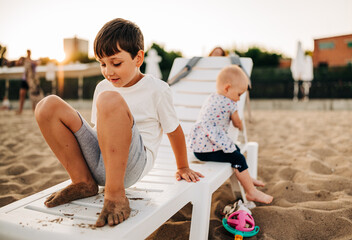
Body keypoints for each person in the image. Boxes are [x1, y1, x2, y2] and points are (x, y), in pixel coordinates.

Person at [34, 18, 203, 227]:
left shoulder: (157, 89)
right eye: (102, 64)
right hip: (100, 158)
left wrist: (183, 166)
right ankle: (83, 181)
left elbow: (174, 130)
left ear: (138, 58)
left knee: (109, 99)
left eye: (116, 63)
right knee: (47, 105)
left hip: (132, 164)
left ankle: (115, 194)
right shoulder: (103, 87)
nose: (108, 71)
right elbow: (99, 132)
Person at [188, 65, 273, 204]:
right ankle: (251, 192)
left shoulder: (211, 97)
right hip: (210, 149)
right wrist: (239, 125)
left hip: (199, 149)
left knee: (236, 149)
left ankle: (247, 178)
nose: (239, 99)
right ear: (227, 88)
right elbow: (237, 122)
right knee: (238, 158)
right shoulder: (230, 103)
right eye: (239, 94)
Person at [16, 50, 43, 114]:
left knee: (33, 95)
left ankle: (34, 110)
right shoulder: (24, 60)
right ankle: (20, 110)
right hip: (25, 79)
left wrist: (29, 61)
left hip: (32, 81)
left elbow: (38, 63)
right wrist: (21, 59)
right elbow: (17, 63)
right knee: (22, 94)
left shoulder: (33, 61)